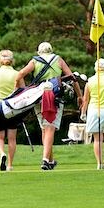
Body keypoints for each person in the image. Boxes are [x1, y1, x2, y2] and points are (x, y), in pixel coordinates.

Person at [17, 41, 82, 170]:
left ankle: (50, 160)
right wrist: (80, 95)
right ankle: (45, 160)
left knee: (44, 128)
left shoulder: (35, 61)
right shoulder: (58, 59)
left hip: (38, 96)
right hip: (55, 96)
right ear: (51, 50)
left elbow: (19, 75)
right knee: (50, 127)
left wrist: (23, 91)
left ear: (39, 52)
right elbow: (71, 77)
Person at [0, 49, 25, 171]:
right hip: (12, 107)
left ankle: (2, 153)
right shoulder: (17, 74)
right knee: (12, 138)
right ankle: (10, 165)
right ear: (12, 60)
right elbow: (23, 92)